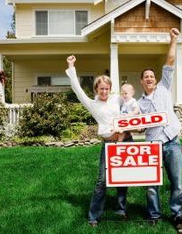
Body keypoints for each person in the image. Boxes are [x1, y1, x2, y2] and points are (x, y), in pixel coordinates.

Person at [66, 55, 132, 227]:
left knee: (123, 177)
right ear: (96, 89)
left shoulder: (117, 99)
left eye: (106, 88)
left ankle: (121, 209)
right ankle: (93, 216)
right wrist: (71, 66)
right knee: (102, 181)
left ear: (110, 88)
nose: (104, 92)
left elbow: (130, 103)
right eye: (101, 89)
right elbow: (77, 89)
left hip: (124, 141)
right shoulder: (92, 104)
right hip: (109, 144)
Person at [138, 28, 182, 227]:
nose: (150, 78)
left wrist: (173, 40)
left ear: (155, 79)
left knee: (176, 182)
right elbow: (138, 126)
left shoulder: (165, 87)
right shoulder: (138, 104)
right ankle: (154, 215)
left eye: (152, 75)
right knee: (151, 183)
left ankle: (177, 214)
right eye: (146, 77)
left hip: (172, 141)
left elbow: (169, 62)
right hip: (152, 144)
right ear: (141, 81)